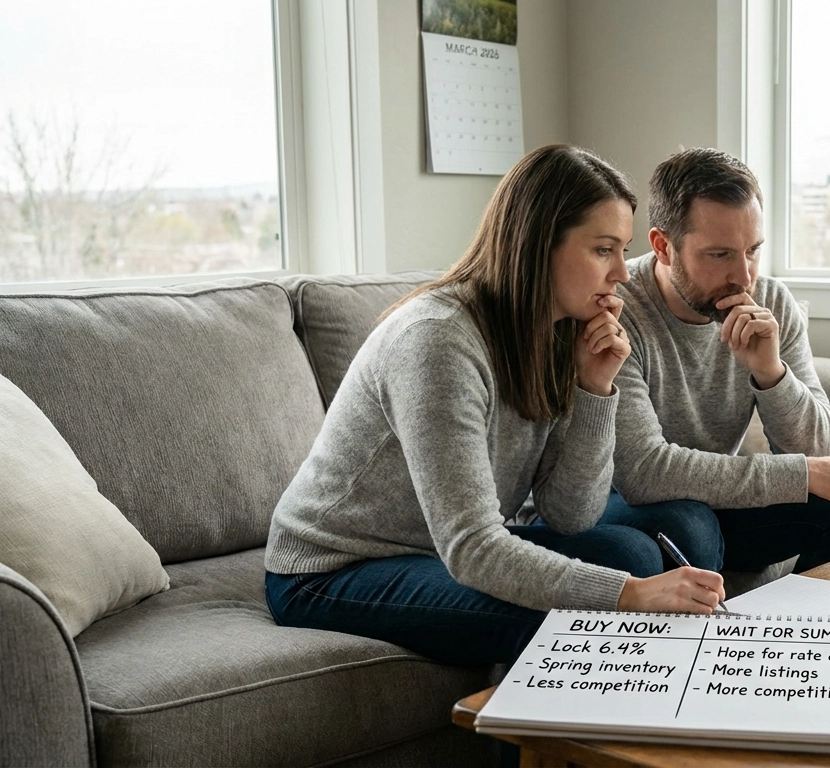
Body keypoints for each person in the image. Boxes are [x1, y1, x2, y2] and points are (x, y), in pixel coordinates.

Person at [263, 145, 725, 666]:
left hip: (440, 550)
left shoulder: (559, 333)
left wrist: (594, 390)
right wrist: (630, 594)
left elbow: (570, 515)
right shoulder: (437, 340)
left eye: (622, 249)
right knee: (565, 621)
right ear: (536, 245)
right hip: (335, 567)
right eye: (603, 249)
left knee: (632, 553)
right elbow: (473, 546)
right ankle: (554, 751)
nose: (621, 271)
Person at [602, 147, 830, 574]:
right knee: (689, 525)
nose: (744, 275)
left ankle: (797, 634)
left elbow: (822, 449)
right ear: (663, 247)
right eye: (719, 255)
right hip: (621, 501)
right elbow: (644, 472)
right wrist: (802, 476)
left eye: (752, 249)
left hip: (720, 499)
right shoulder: (616, 309)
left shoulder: (771, 300)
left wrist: (771, 374)